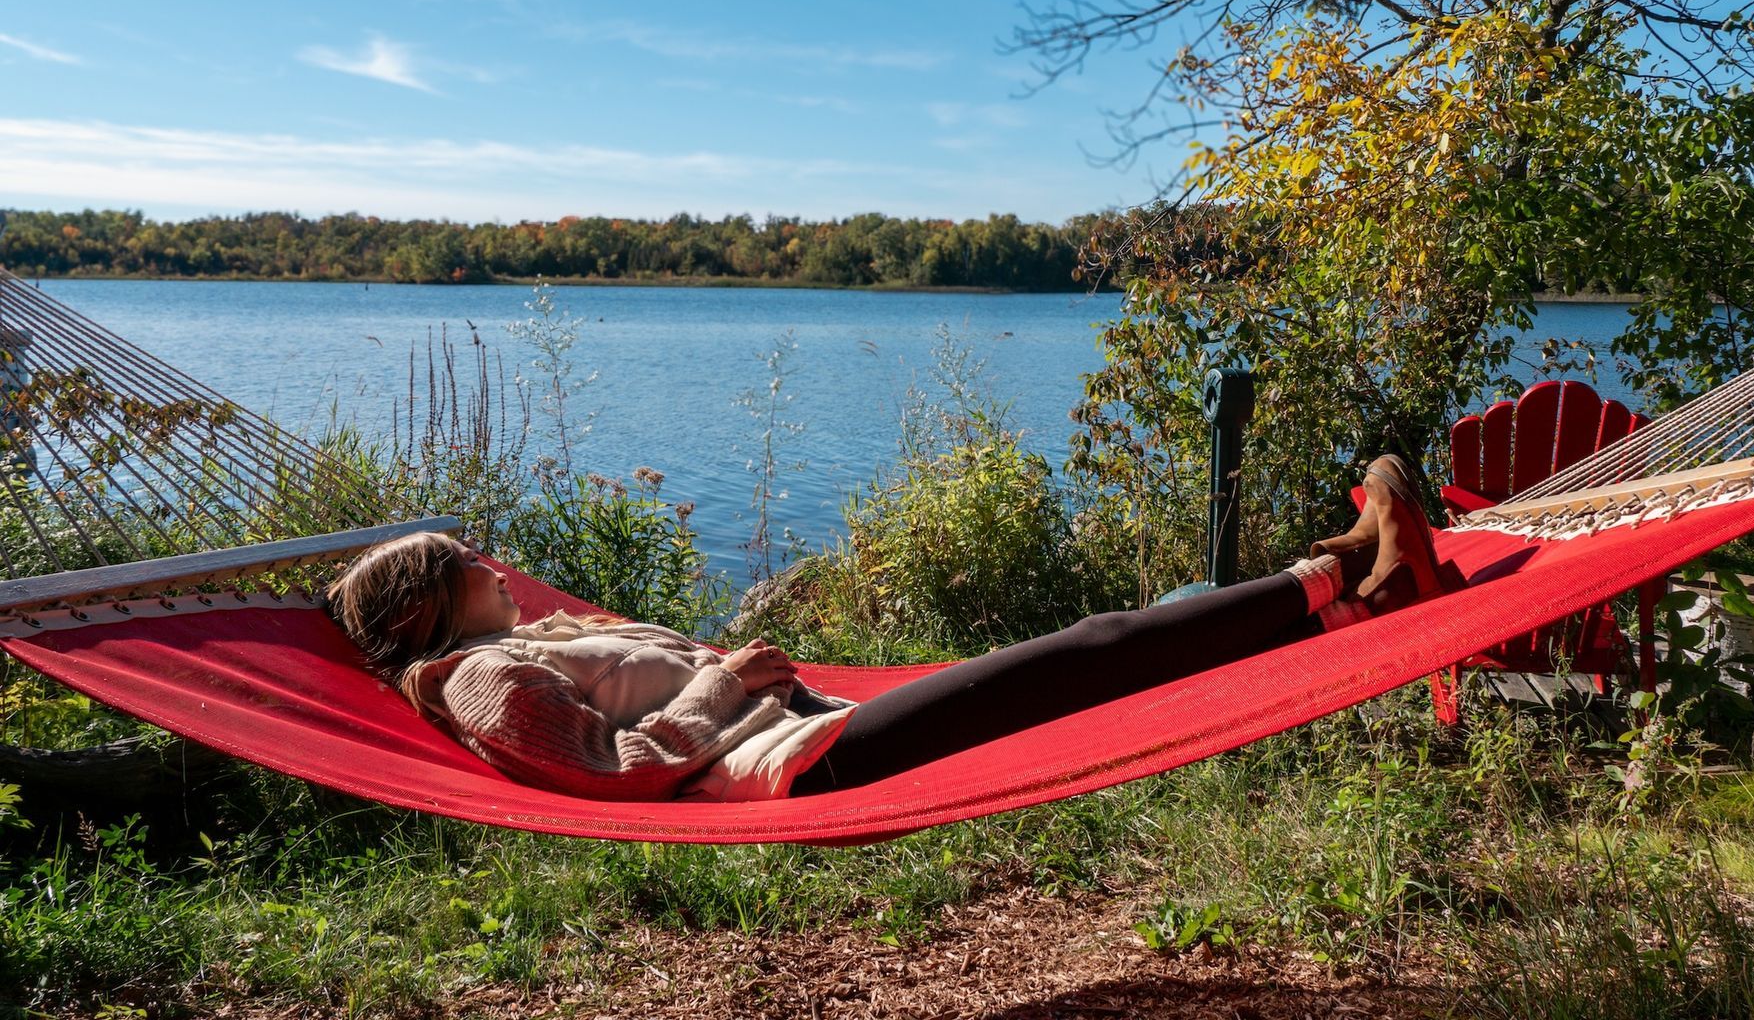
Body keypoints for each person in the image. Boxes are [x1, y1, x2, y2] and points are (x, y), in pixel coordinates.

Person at [325, 456, 1443, 803]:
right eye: (468, 564)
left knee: (1109, 645)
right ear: (427, 609)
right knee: (1087, 656)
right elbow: (603, 768)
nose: (493, 565)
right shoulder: (473, 681)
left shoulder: (524, 641)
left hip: (804, 726)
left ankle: (1341, 575)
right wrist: (721, 689)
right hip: (789, 763)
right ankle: (1349, 586)